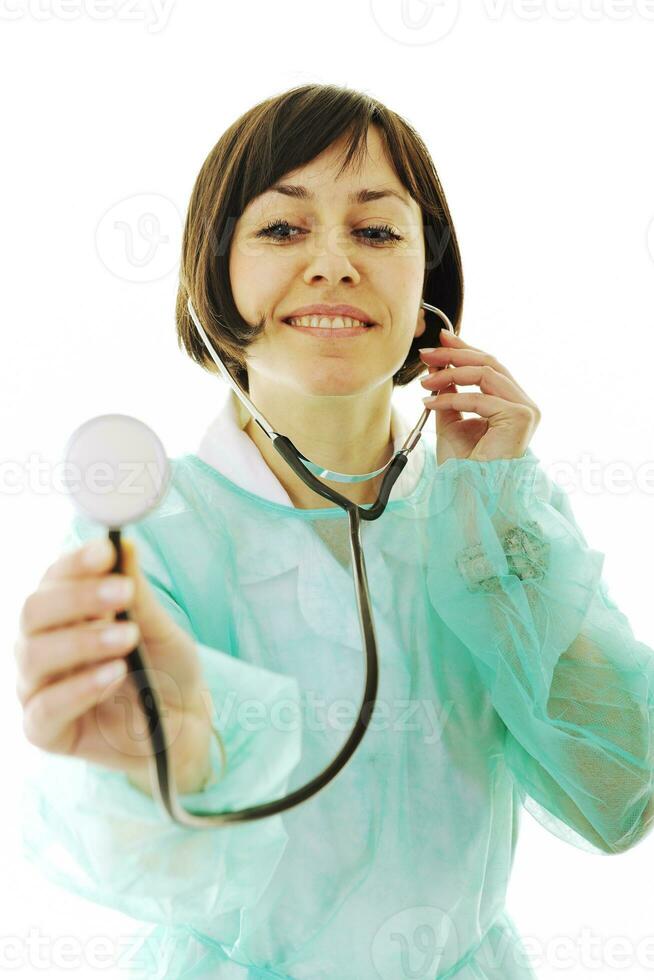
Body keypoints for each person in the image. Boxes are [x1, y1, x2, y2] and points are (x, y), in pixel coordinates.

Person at [15, 83, 654, 980]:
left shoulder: (498, 518)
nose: (332, 264)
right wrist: (173, 760)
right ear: (215, 270)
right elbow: (147, 865)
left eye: (378, 231)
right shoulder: (150, 536)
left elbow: (619, 799)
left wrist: (497, 531)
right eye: (281, 229)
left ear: (427, 278)